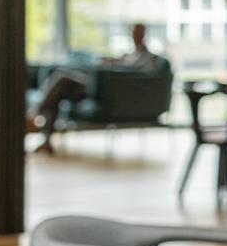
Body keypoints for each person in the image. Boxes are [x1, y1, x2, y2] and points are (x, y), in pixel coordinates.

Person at [29, 23, 163, 155]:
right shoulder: (128, 55)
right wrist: (111, 61)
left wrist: (118, 67)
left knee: (63, 80)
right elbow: (120, 64)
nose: (134, 35)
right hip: (98, 86)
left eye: (137, 32)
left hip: (108, 91)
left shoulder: (149, 57)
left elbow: (140, 77)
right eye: (133, 32)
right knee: (59, 87)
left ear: (144, 34)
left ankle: (34, 115)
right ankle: (45, 139)